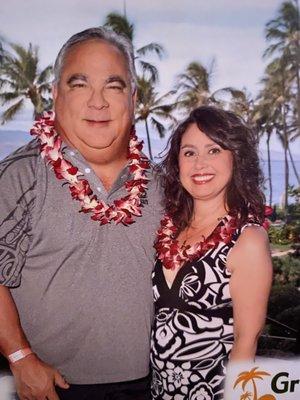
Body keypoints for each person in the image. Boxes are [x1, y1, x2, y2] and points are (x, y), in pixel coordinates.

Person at [0, 27, 162, 400]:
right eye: (80, 84)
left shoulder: (161, 184)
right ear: (55, 94)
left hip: (149, 387)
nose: (98, 102)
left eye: (114, 85)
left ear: (133, 98)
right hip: (49, 388)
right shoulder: (20, 175)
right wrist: (21, 358)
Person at [150, 106, 273, 400]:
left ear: (236, 159)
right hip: (157, 392)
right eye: (189, 152)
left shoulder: (248, 239)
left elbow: (247, 343)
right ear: (177, 163)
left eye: (214, 150)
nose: (199, 164)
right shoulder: (168, 227)